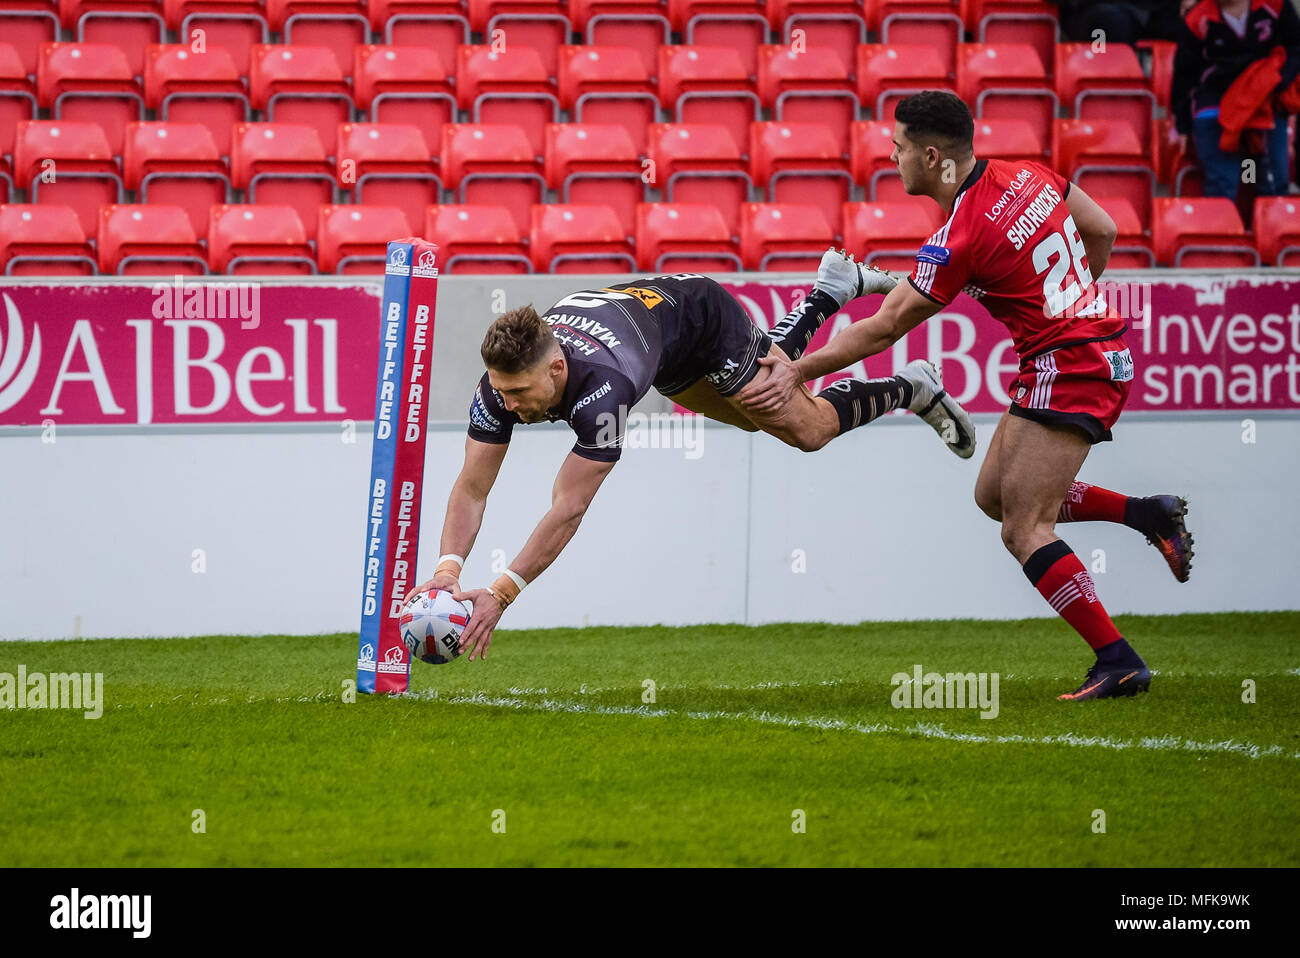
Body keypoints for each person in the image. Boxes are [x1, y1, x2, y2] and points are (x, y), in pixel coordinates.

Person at [740, 91, 1195, 702]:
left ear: (932, 157)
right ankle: (1145, 514)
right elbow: (1103, 229)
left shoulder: (962, 234)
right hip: (1079, 352)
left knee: (1024, 529)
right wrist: (1070, 299)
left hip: (1070, 364)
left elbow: (884, 326)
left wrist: (798, 369)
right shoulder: (1028, 174)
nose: (892, 157)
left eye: (899, 147)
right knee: (993, 497)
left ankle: (1118, 660)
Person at [404, 259, 976, 659]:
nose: (508, 404)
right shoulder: (498, 387)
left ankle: (911, 386)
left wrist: (502, 592)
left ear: (556, 369)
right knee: (757, 416)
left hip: (701, 320)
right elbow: (472, 486)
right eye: (501, 391)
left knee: (807, 430)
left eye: (519, 393)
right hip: (660, 340)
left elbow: (569, 506)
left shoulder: (603, 393)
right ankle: (832, 288)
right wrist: (447, 572)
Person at [1171, 0, 1300, 200]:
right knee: (1222, 184)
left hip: (1265, 100)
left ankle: (1262, 213)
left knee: (1272, 183)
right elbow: (1184, 77)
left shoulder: (1275, 5)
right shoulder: (1197, 20)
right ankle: (1225, 218)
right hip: (1216, 105)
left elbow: (1295, 48)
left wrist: (1279, 81)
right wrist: (1183, 126)